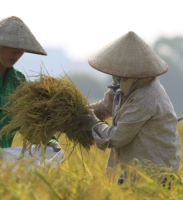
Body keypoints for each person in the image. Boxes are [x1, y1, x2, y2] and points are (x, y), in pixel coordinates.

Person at [70, 31, 181, 182]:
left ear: (131, 74)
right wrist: (75, 112)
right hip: (134, 171)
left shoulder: (147, 96)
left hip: (157, 175)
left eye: (119, 74)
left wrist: (92, 124)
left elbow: (117, 137)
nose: (114, 77)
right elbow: (104, 108)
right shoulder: (122, 85)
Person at [0, 16, 61, 158]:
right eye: (13, 47)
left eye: (21, 49)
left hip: (0, 162)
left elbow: (27, 122)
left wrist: (49, 141)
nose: (17, 53)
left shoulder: (19, 81)